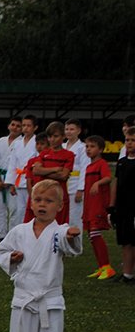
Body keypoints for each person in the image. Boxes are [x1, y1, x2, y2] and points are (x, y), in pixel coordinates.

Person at [0, 180, 81, 332]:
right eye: (38, 200)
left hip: (50, 303)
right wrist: (11, 257)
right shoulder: (19, 231)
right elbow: (0, 252)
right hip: (23, 300)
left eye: (49, 201)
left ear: (59, 206)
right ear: (31, 203)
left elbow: (67, 241)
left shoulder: (59, 231)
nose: (42, 205)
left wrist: (72, 236)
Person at [82, 135, 116, 280]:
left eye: (92, 146)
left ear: (101, 149)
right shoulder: (89, 166)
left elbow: (108, 178)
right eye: (87, 146)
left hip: (98, 205)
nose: (88, 149)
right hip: (89, 205)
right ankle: (102, 266)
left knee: (95, 234)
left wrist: (98, 183)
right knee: (91, 235)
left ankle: (107, 267)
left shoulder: (102, 164)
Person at [27, 122, 74, 225]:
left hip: (59, 195)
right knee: (41, 225)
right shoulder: (44, 153)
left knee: (58, 226)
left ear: (63, 137)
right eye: (50, 136)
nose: (52, 139)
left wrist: (44, 172)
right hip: (43, 195)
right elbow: (35, 171)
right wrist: (55, 169)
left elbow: (63, 176)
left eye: (55, 136)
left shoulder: (69, 155)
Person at [4, 115, 39, 229]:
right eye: (24, 125)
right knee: (17, 210)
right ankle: (17, 234)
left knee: (31, 209)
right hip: (18, 181)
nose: (25, 128)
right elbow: (12, 164)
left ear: (35, 127)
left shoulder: (37, 142)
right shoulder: (17, 143)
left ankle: (32, 232)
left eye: (29, 126)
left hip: (31, 180)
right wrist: (12, 183)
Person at [111, 128, 135, 283]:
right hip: (123, 207)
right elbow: (116, 183)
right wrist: (112, 206)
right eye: (127, 140)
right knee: (125, 241)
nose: (130, 143)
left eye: (133, 140)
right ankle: (127, 274)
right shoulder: (121, 162)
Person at [0, 117, 23, 236]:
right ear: (8, 126)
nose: (15, 128)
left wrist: (9, 181)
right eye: (13, 125)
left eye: (18, 126)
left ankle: (12, 234)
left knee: (14, 209)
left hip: (14, 178)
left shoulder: (22, 143)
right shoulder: (1, 141)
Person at [64, 119, 88, 230]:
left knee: (75, 218)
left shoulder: (82, 148)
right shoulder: (62, 146)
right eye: (67, 129)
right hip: (62, 184)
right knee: (62, 217)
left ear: (78, 131)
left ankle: (76, 246)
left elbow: (85, 168)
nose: (69, 132)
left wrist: (81, 189)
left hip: (75, 185)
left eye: (72, 129)